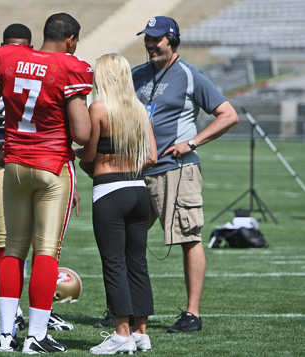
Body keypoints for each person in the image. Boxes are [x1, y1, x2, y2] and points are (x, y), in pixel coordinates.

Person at [0, 13, 93, 353]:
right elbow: (82, 133)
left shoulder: (10, 57)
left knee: (12, 250)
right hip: (52, 168)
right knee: (46, 252)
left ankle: (5, 335)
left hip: (14, 166)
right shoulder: (71, 66)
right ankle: (35, 336)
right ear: (70, 40)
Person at [132, 16, 239, 333]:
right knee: (128, 238)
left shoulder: (191, 75)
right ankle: (124, 309)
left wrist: (192, 142)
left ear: (172, 39)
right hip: (138, 170)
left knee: (188, 238)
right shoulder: (136, 75)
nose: (150, 44)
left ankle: (192, 314)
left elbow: (228, 114)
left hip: (178, 171)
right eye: (147, 39)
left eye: (156, 39)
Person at [74, 53, 157, 354]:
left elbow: (88, 154)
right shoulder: (139, 109)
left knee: (114, 263)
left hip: (110, 192)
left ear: (104, 78)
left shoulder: (98, 108)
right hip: (138, 190)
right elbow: (152, 157)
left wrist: (78, 157)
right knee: (138, 262)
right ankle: (141, 332)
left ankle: (121, 333)